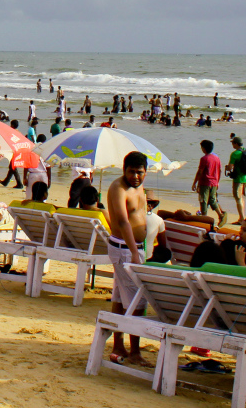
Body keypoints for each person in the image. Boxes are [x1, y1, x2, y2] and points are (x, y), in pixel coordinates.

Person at [105, 151, 149, 366]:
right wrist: (133, 252)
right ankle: (134, 351)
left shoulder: (138, 187)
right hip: (124, 248)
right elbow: (123, 221)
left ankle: (119, 345)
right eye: (131, 172)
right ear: (124, 170)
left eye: (139, 173)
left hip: (134, 248)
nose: (135, 176)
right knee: (137, 301)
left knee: (121, 299)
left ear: (145, 172)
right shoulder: (118, 188)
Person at [192, 140, 226, 225]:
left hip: (205, 182)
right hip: (214, 182)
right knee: (212, 200)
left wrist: (195, 183)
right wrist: (217, 182)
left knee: (203, 200)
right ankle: (220, 215)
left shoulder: (204, 158)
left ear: (204, 148)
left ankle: (204, 217)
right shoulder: (216, 158)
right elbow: (220, 170)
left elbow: (200, 172)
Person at [226, 136, 246, 226]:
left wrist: (227, 167)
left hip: (238, 178)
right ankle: (242, 217)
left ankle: (241, 218)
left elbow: (230, 167)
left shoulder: (235, 154)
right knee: (241, 197)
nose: (232, 144)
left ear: (236, 144)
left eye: (233, 143)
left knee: (238, 198)